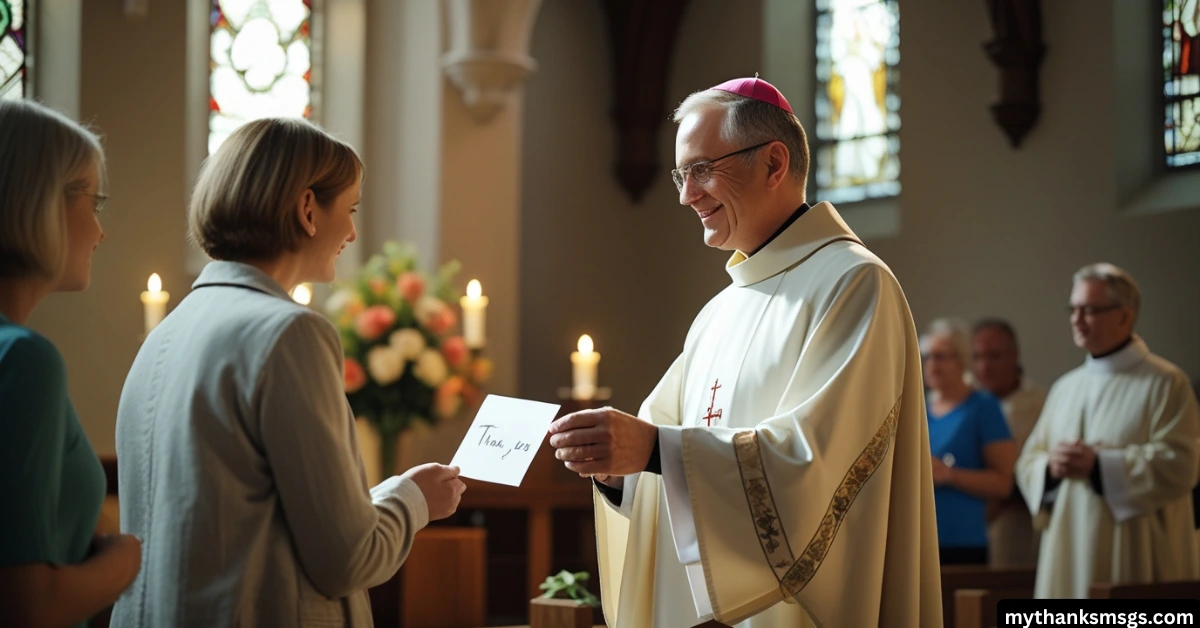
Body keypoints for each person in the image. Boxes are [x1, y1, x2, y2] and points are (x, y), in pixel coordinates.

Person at [547, 77, 941, 628]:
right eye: (682, 175)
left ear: (774, 164)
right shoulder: (718, 312)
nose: (687, 195)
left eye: (703, 169)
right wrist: (617, 472)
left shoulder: (854, 285)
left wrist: (654, 453)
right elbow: (654, 447)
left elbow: (819, 466)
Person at [112, 118, 465, 627]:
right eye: (350, 209)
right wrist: (414, 500)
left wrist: (385, 497)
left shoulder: (163, 337)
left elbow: (245, 521)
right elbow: (349, 559)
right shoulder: (288, 333)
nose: (352, 231)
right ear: (306, 210)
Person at [0, 99, 141, 626]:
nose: (101, 233)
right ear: (41, 203)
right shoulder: (25, 360)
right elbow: (26, 606)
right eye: (93, 201)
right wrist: (126, 559)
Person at [1015, 263, 1200, 598]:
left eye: (1089, 310)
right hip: (1068, 545)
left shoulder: (1166, 382)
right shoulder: (1065, 387)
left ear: (1124, 316)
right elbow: (1028, 461)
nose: (1076, 319)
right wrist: (1050, 469)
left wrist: (1100, 465)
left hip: (1132, 553)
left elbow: (1182, 464)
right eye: (1073, 309)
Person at [922, 318, 1017, 565]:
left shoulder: (983, 407)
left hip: (963, 543)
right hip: (918, 540)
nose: (932, 365)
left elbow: (1003, 484)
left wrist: (949, 475)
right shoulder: (915, 409)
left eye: (941, 357)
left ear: (962, 359)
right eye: (927, 357)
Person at [971, 318, 1047, 566]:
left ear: (1014, 355)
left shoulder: (1042, 404)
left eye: (994, 357)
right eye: (977, 357)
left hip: (1017, 523)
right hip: (965, 520)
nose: (984, 367)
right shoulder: (962, 399)